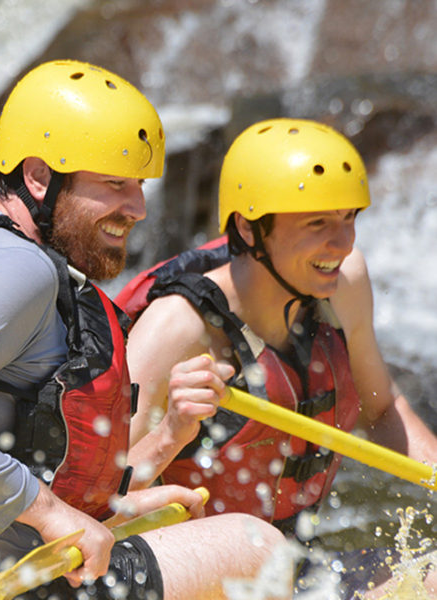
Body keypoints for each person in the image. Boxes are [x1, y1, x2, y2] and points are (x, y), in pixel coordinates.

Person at [0, 62, 292, 600]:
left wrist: (166, 438)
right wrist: (49, 511)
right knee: (254, 549)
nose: (139, 209)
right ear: (38, 176)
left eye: (141, 186)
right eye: (114, 184)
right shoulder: (15, 268)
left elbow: (6, 454)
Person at [116, 118, 437, 597]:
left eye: (349, 218)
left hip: (291, 567)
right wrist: (167, 436)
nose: (343, 242)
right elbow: (100, 499)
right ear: (248, 227)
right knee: (260, 556)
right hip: (203, 571)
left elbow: (381, 406)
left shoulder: (342, 281)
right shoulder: (177, 327)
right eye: (317, 223)